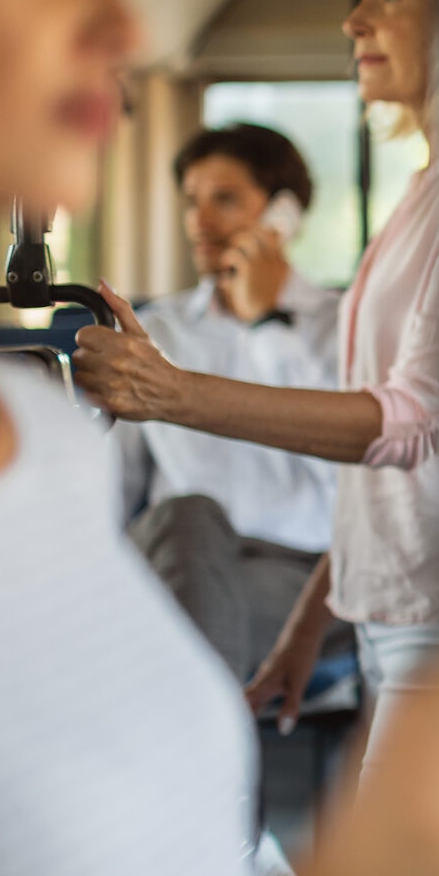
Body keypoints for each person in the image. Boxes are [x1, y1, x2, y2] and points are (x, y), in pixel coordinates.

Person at [0, 0, 439, 876]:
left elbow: (408, 426)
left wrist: (169, 389)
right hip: (410, 594)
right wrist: (316, 615)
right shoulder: (437, 189)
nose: (352, 18)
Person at [119, 123, 344, 682]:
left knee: (165, 634)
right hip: (174, 554)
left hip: (298, 572)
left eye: (225, 199)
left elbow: (354, 467)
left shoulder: (340, 326)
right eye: (191, 201)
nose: (200, 221)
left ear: (283, 212)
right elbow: (116, 486)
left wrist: (267, 324)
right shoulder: (156, 331)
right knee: (188, 517)